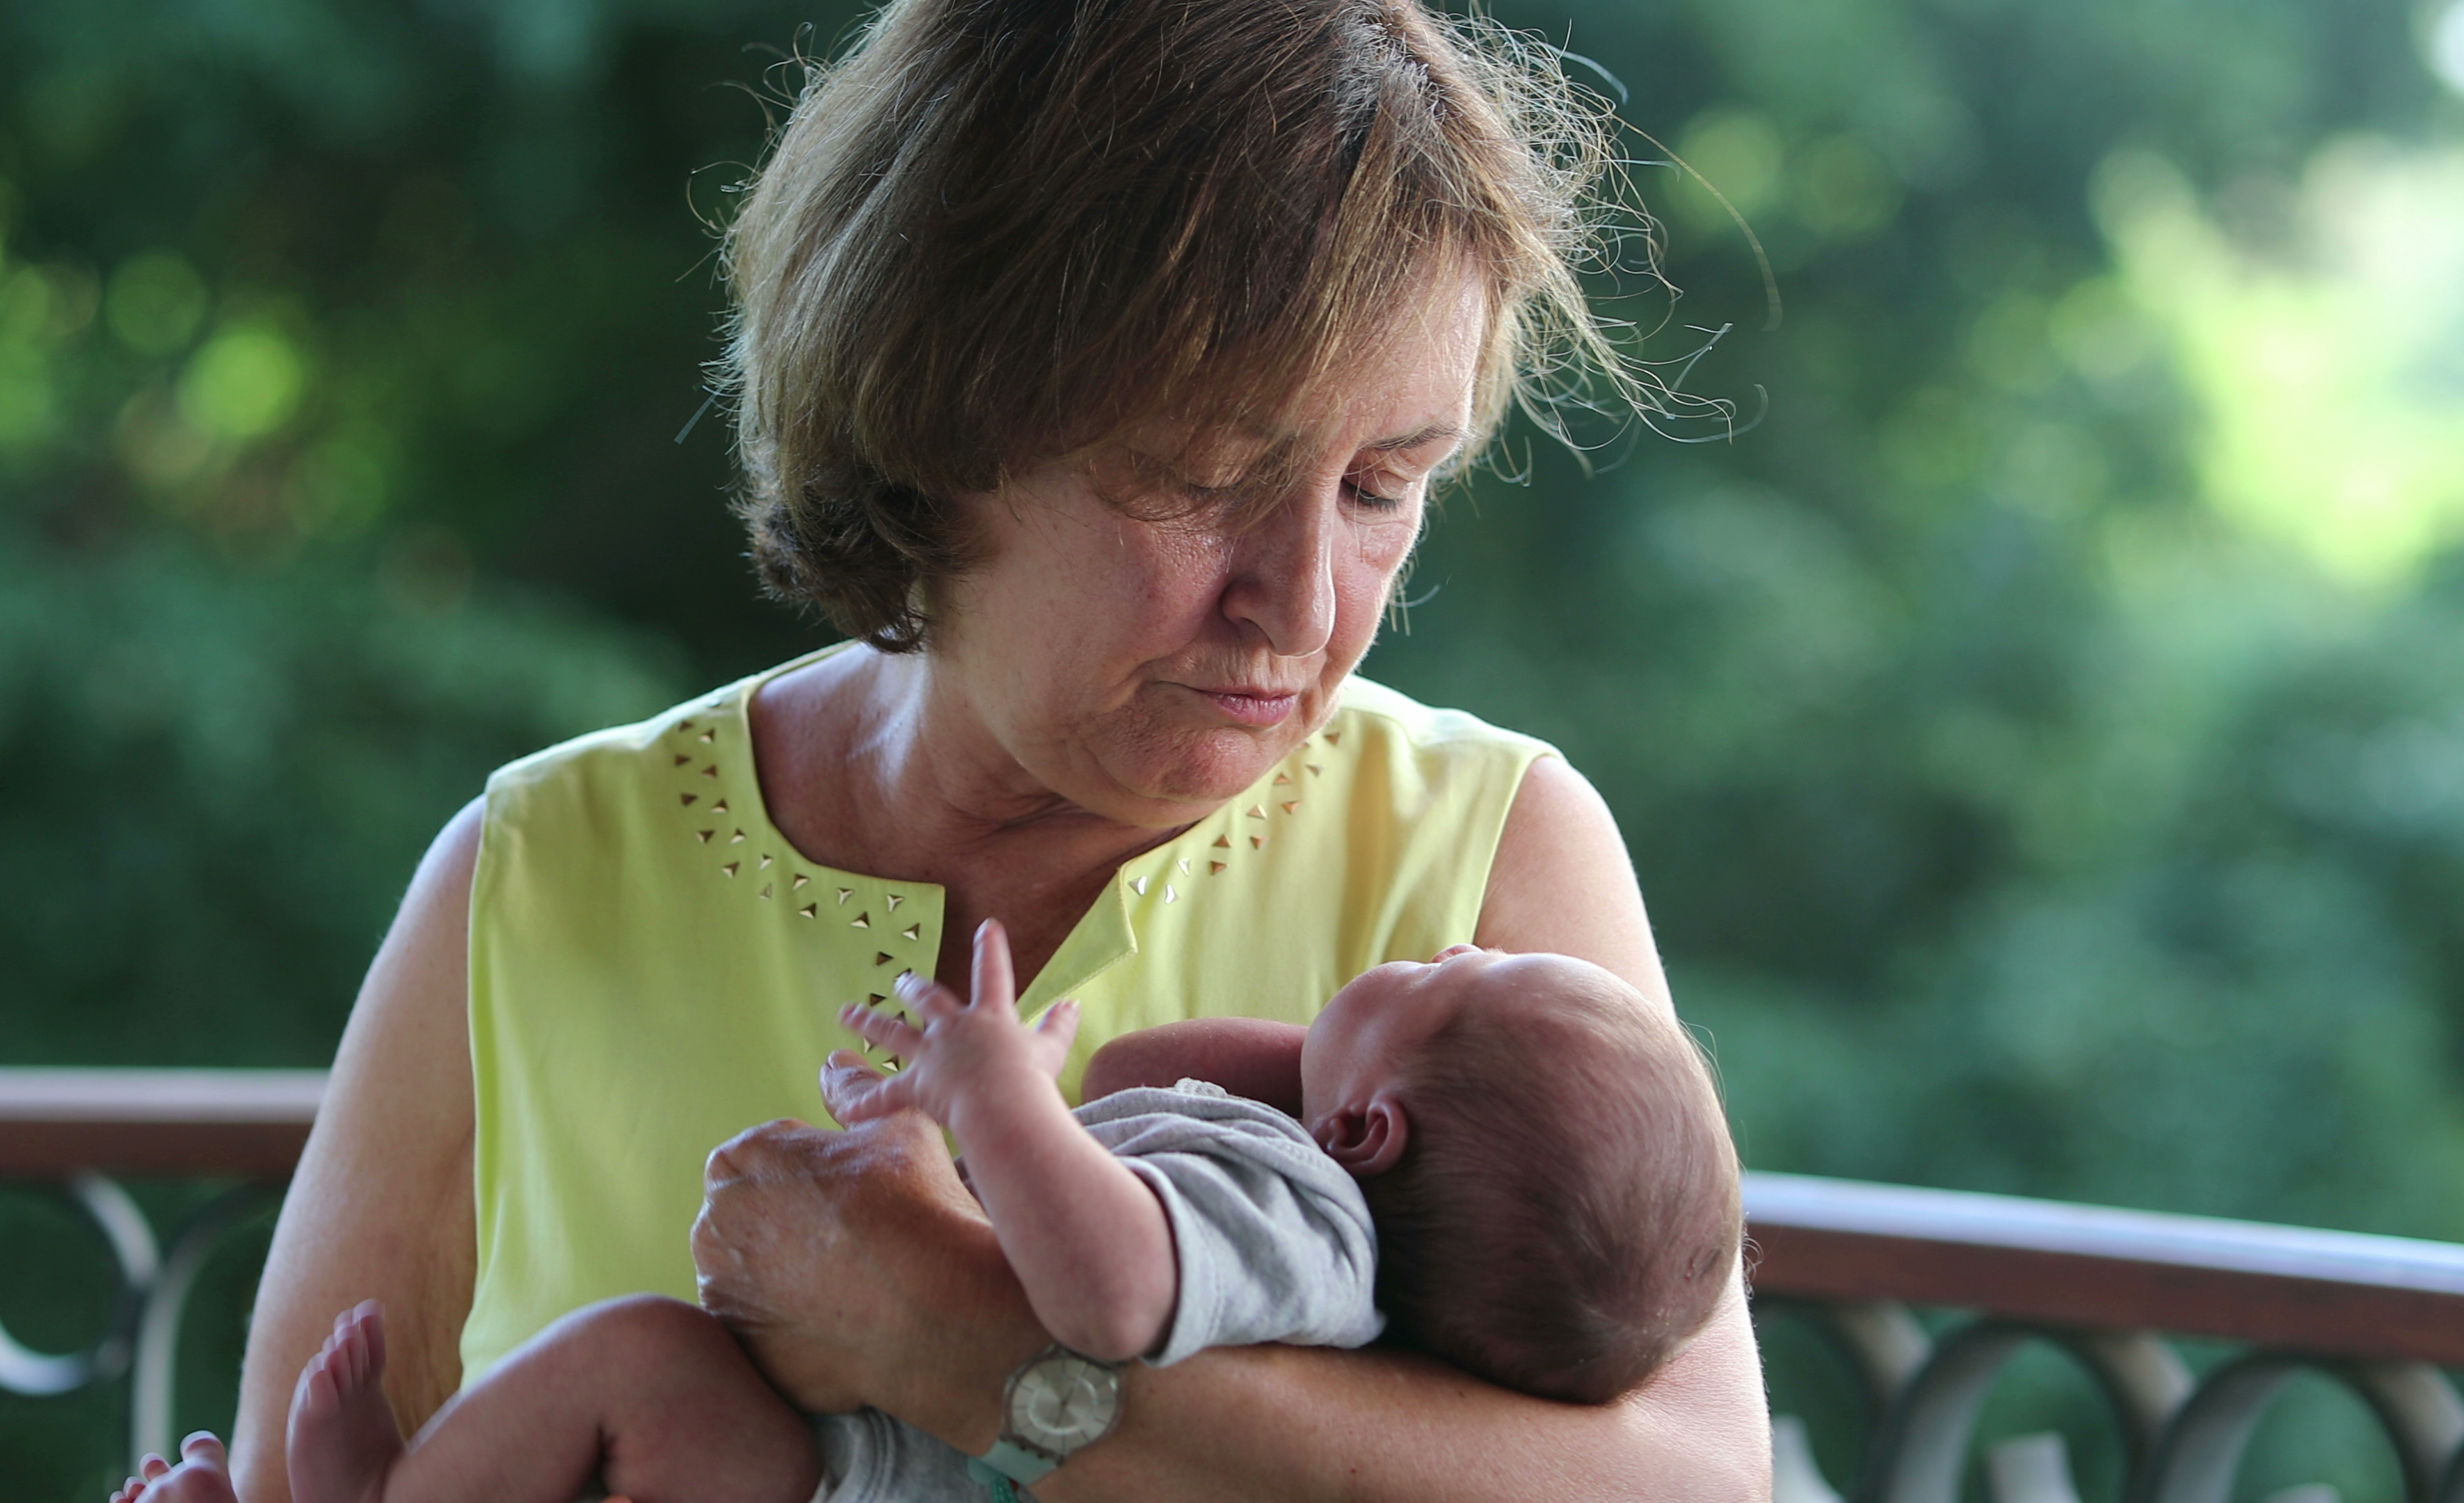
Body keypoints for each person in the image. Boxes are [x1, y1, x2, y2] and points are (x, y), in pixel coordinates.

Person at [117, 1, 1775, 1498]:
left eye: (1379, 487)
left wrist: (976, 1352)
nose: (1299, 606)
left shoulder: (1486, 851)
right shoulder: (537, 878)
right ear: (932, 421)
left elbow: (1687, 1491)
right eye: (1202, 476)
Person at [163, 938, 1734, 1503]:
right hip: (836, 1460)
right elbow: (1138, 1085)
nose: (1444, 942)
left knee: (634, 1359)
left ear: (1366, 1135)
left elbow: (1110, 1292)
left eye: (1450, 979)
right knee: (629, 1377)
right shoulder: (1295, 1186)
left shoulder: (1308, 1216)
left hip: (857, 1477)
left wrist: (995, 1106)